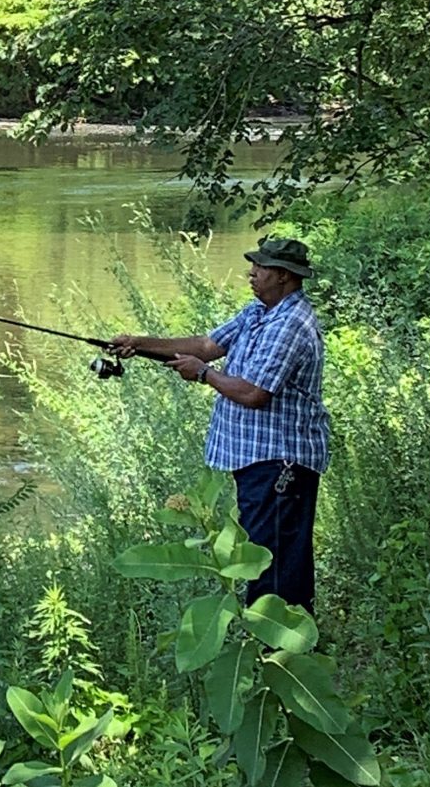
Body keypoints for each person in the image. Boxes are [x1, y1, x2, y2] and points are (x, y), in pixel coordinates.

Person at [111, 237, 328, 617]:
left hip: (280, 463)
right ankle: (286, 641)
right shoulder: (260, 311)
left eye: (259, 268)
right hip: (258, 460)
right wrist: (139, 343)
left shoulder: (291, 323)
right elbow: (207, 344)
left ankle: (277, 647)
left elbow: (254, 392)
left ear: (282, 276)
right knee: (269, 550)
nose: (252, 274)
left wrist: (204, 376)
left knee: (269, 557)